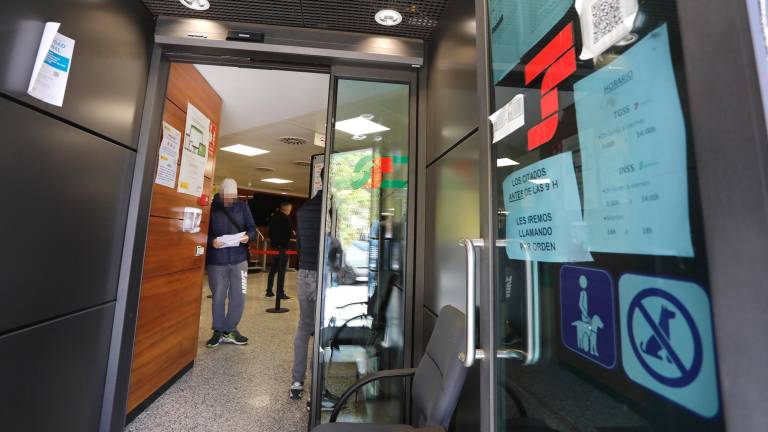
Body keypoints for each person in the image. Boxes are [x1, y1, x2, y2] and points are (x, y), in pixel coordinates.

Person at [205, 178, 256, 348]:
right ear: (220, 193)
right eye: (226, 195)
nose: (229, 199)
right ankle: (218, 330)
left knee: (239, 296)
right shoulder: (211, 208)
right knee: (218, 296)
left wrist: (248, 237)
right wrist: (212, 241)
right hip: (216, 261)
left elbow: (252, 229)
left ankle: (231, 329)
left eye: (232, 196)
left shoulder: (242, 207)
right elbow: (203, 232)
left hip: (239, 259)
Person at [290, 190, 323, 399]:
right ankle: (317, 390)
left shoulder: (303, 210)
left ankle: (297, 381)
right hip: (324, 274)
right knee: (322, 331)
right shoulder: (332, 209)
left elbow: (300, 247)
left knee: (304, 327)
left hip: (305, 272)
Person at [266, 201, 293, 299]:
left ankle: (269, 290)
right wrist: (292, 233)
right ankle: (280, 292)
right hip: (283, 248)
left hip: (273, 247)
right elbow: (289, 234)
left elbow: (270, 232)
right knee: (281, 272)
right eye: (290, 209)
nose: (291, 211)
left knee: (273, 270)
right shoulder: (286, 219)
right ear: (287, 208)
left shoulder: (273, 217)